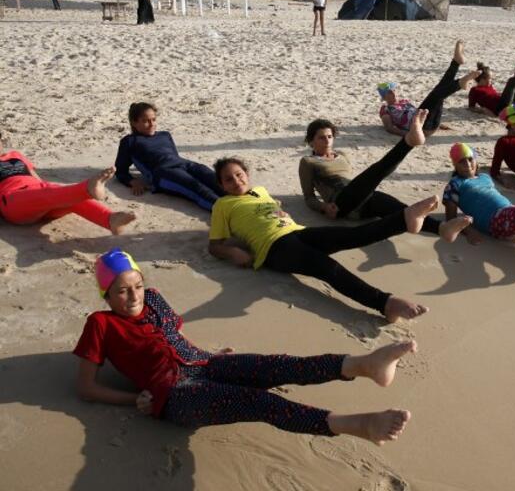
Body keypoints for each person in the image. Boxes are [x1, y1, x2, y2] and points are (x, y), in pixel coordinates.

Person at [74, 248, 414, 445]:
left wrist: (210, 356)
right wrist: (134, 399)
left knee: (278, 364)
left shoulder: (153, 299)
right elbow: (86, 387)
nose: (133, 295)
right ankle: (354, 425)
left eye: (136, 284)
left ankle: (362, 365)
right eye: (121, 290)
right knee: (259, 402)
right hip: (173, 394)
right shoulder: (101, 323)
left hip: (205, 363)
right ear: (106, 294)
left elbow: (174, 340)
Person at [210, 157, 438, 323]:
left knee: (352, 236)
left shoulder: (260, 190)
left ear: (247, 175)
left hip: (297, 232)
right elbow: (214, 246)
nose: (236, 180)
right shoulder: (222, 205)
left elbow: (270, 208)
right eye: (228, 179)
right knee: (326, 267)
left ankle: (404, 220)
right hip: (273, 248)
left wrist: (282, 213)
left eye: (239, 174)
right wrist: (233, 253)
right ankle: (385, 303)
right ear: (222, 186)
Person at [300, 109, 472, 240]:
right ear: (311, 141)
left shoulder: (342, 155)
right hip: (340, 204)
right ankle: (408, 142)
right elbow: (308, 197)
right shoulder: (308, 162)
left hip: (362, 198)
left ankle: (442, 228)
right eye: (322, 138)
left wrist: (362, 190)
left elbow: (357, 183)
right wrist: (324, 207)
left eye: (330, 136)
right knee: (378, 170)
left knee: (407, 212)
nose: (327, 141)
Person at [0, 133, 135, 234]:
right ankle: (87, 188)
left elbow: (35, 177)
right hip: (13, 199)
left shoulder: (15, 155)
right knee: (56, 195)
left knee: (66, 198)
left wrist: (47, 187)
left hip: (39, 192)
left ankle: (109, 220)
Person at [115, 102, 223, 211]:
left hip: (183, 164)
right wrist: (133, 181)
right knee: (196, 187)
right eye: (145, 121)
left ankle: (240, 198)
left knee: (212, 177)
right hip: (163, 173)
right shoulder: (129, 141)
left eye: (153, 119)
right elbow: (120, 171)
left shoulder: (165, 135)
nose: (152, 124)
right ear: (134, 122)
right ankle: (226, 210)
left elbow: (174, 155)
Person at [378, 40, 478, 136]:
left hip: (429, 122)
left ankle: (456, 63)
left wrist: (440, 125)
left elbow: (425, 111)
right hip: (422, 128)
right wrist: (410, 135)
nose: (393, 93)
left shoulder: (404, 102)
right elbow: (389, 127)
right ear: (384, 98)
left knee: (439, 90)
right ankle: (458, 80)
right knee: (436, 95)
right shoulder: (386, 109)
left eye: (394, 90)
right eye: (389, 92)